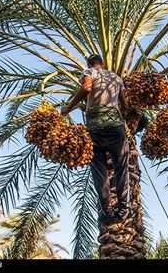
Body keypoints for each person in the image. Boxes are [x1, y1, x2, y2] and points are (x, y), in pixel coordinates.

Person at [61, 54, 131, 224]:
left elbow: (86, 88)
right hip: (116, 129)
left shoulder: (88, 72)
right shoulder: (116, 77)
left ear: (90, 65)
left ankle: (106, 211)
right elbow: (126, 106)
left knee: (99, 172)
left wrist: (68, 108)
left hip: (96, 130)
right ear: (103, 64)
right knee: (122, 169)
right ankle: (123, 209)